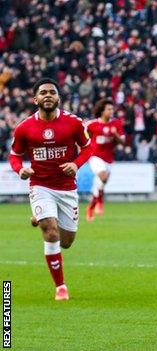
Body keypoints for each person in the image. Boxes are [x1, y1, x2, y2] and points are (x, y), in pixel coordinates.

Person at [8, 78, 93, 301]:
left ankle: (41, 216)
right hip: (40, 185)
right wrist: (20, 170)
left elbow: (88, 147)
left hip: (66, 189)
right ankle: (60, 287)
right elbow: (15, 155)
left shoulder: (73, 123)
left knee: (66, 242)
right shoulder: (25, 127)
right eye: (43, 92)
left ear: (58, 97)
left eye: (52, 92)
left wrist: (75, 164)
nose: (48, 95)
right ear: (35, 99)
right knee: (51, 232)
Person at [84, 98, 125, 221]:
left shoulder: (116, 124)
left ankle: (91, 207)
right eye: (109, 109)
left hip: (109, 159)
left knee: (101, 184)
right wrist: (82, 150)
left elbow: (123, 141)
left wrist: (115, 135)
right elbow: (81, 135)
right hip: (95, 157)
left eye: (112, 109)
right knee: (103, 176)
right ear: (102, 111)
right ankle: (100, 201)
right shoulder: (92, 124)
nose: (111, 111)